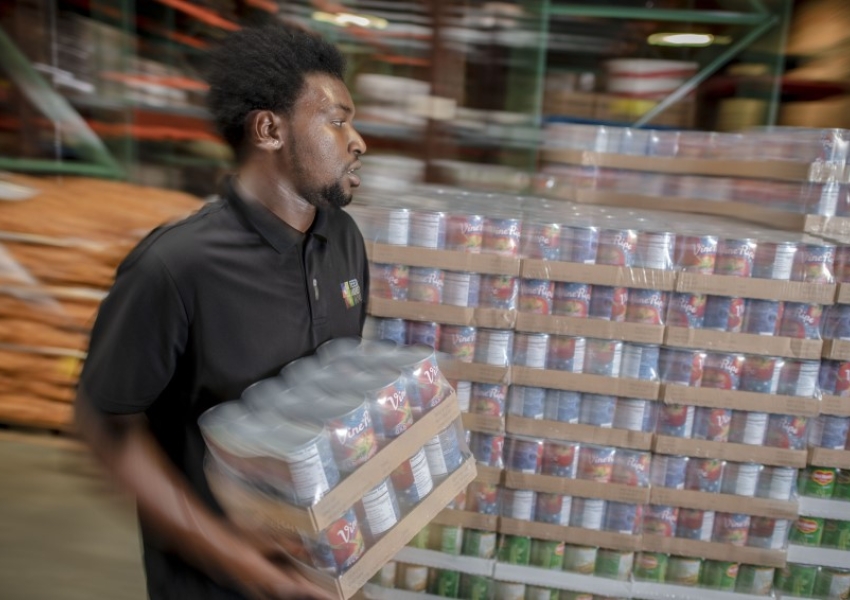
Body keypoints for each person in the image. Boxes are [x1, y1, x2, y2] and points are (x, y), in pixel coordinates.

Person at [75, 23, 368, 600]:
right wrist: (240, 561)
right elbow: (104, 425)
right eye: (337, 120)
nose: (357, 140)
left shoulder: (345, 239)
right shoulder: (176, 267)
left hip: (323, 571)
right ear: (269, 130)